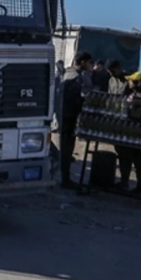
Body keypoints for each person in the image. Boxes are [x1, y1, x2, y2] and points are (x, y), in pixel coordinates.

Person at [58, 51, 93, 188]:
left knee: (65, 149)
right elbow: (73, 100)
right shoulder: (75, 76)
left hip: (64, 116)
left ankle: (64, 178)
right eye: (89, 62)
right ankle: (65, 180)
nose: (90, 65)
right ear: (82, 62)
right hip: (68, 117)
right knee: (67, 149)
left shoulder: (68, 73)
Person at [115, 71, 141, 195]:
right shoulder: (131, 94)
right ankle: (124, 181)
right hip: (129, 131)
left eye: (131, 81)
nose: (129, 83)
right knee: (124, 157)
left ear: (137, 83)